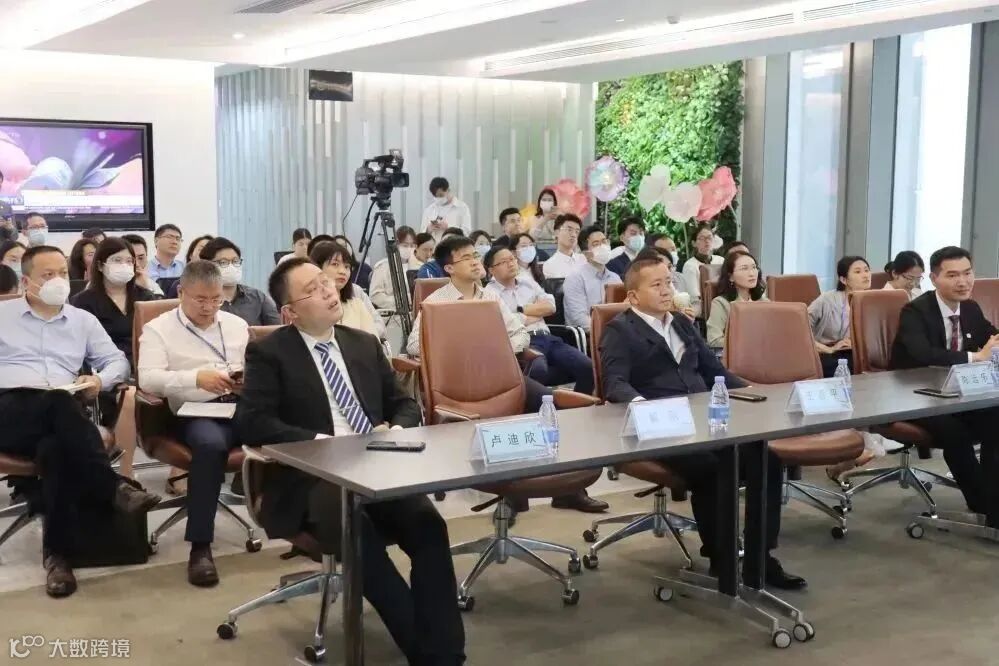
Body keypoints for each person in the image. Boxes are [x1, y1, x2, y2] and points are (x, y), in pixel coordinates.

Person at [236, 258, 466, 666]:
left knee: (429, 527)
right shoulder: (269, 352)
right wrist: (324, 442)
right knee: (360, 538)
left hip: (377, 464)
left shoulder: (363, 343)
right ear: (290, 312)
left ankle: (445, 650)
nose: (328, 291)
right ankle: (429, 654)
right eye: (312, 289)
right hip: (311, 476)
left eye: (326, 282)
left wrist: (395, 429)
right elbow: (252, 423)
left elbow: (404, 403)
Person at [600, 257, 806, 589]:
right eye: (657, 285)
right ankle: (722, 559)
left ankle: (760, 557)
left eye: (669, 282)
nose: (667, 290)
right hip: (661, 428)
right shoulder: (620, 331)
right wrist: (646, 410)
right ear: (633, 296)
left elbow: (715, 372)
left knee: (766, 459)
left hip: (704, 421)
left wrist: (756, 392)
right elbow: (615, 384)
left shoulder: (682, 324)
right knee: (714, 467)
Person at [0, 245, 161, 598]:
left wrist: (99, 380)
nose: (58, 280)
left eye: (62, 273)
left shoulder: (82, 321)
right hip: (8, 410)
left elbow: (117, 361)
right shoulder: (2, 315)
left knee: (56, 449)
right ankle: (112, 486)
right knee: (59, 403)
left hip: (62, 415)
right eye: (47, 275)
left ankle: (58, 558)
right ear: (26, 281)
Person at [407, 237, 606, 513]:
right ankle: (512, 492)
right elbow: (414, 345)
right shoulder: (436, 302)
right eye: (466, 257)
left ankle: (568, 491)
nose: (475, 261)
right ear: (449, 268)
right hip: (462, 383)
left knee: (551, 406)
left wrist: (497, 350)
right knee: (505, 418)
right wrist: (463, 351)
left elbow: (520, 334)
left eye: (475, 255)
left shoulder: (491, 297)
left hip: (500, 376)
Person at [138, 261, 250, 587]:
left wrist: (247, 380)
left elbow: (256, 365)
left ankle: (309, 528)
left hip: (241, 406)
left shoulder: (236, 325)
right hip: (196, 410)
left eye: (216, 299)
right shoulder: (159, 329)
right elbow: (148, 378)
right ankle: (201, 547)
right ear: (181, 292)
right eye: (201, 299)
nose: (209, 307)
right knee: (210, 445)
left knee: (296, 430)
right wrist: (196, 378)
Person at [891, 246, 999, 524]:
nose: (963, 281)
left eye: (967, 273)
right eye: (952, 275)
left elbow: (991, 337)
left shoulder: (970, 308)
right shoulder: (915, 310)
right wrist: (975, 357)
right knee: (955, 432)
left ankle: (993, 501)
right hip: (914, 395)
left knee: (996, 419)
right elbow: (922, 354)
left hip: (957, 393)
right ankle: (984, 506)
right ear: (934, 278)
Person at [71, 238, 156, 472]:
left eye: (129, 261)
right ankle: (126, 473)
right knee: (129, 395)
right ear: (100, 265)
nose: (125, 266)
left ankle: (179, 471)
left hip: (148, 363)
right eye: (117, 260)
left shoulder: (145, 297)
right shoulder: (83, 302)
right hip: (107, 371)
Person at [484, 245, 594, 395]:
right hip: (524, 341)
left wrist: (520, 310)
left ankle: (578, 405)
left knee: (587, 367)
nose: (511, 263)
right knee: (538, 369)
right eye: (504, 262)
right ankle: (537, 407)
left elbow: (550, 307)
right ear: (491, 270)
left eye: (512, 259)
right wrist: (536, 312)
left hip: (548, 338)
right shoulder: (489, 293)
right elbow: (505, 322)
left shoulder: (528, 282)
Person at [808, 255, 871, 377]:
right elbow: (799, 330)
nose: (865, 275)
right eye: (858, 272)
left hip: (855, 353)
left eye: (867, 270)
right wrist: (829, 349)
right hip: (826, 353)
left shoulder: (872, 301)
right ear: (844, 279)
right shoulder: (827, 300)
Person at [199, 237, 280, 326]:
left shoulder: (257, 297)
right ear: (207, 265)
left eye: (235, 261)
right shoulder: (200, 299)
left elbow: (278, 328)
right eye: (223, 262)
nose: (231, 266)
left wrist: (253, 332)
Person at [311, 241, 386, 339]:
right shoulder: (310, 306)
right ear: (317, 267)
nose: (343, 271)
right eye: (335, 264)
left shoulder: (357, 304)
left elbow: (373, 337)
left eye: (347, 266)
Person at [563, 225, 622, 331]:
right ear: (586, 253)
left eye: (604, 241)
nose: (603, 246)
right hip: (591, 334)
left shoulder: (615, 278)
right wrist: (607, 331)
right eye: (596, 244)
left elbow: (622, 310)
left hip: (616, 332)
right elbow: (579, 318)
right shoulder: (575, 279)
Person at [705, 250, 768, 349]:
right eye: (744, 269)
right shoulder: (721, 303)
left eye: (754, 267)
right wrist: (749, 343)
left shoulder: (763, 301)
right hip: (737, 355)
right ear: (731, 277)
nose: (752, 273)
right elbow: (714, 340)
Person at [370, 225, 419, 311]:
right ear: (396, 245)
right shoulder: (383, 266)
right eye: (405, 245)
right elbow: (375, 296)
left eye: (412, 245)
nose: (409, 248)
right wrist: (401, 301)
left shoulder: (419, 266)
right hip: (392, 313)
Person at [681, 224, 724, 318]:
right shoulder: (690, 265)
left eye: (709, 237)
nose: (707, 241)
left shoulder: (721, 260)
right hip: (701, 311)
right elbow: (695, 297)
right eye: (702, 238)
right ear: (694, 243)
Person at [421, 176, 471, 240]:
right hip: (434, 245)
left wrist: (449, 228)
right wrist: (428, 230)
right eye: (436, 196)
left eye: (441, 195)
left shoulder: (462, 208)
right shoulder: (429, 210)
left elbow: (467, 232)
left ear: (448, 190)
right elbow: (421, 234)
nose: (439, 198)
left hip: (454, 245)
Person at [542, 214, 586, 280]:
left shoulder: (583, 259)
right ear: (557, 233)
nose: (574, 235)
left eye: (577, 232)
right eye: (569, 230)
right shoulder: (550, 265)